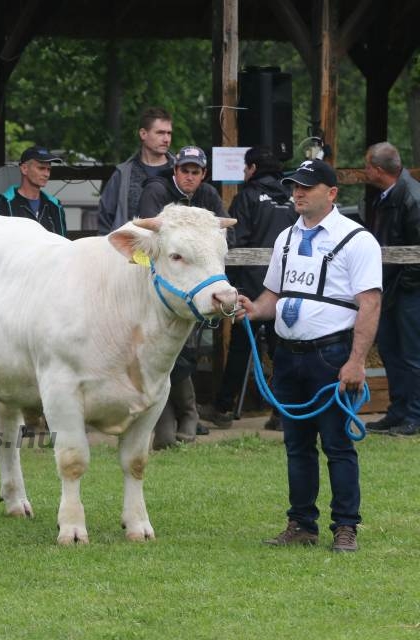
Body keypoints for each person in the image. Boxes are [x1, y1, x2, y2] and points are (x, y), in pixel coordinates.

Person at [238, 159, 382, 553]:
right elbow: (273, 295)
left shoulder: (357, 240)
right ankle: (301, 523)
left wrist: (355, 361)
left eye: (307, 186)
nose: (297, 192)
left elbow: (369, 303)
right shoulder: (285, 238)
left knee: (337, 444)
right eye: (294, 186)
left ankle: (345, 527)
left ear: (331, 193)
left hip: (331, 355)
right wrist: (254, 310)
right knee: (297, 444)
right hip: (288, 355)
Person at [137, 145, 227, 449]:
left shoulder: (209, 196)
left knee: (183, 352)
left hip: (196, 285)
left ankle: (187, 416)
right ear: (175, 170)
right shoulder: (156, 190)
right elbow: (148, 239)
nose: (190, 177)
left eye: (196, 171)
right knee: (159, 350)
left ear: (203, 174)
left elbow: (224, 235)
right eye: (184, 170)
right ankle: (166, 424)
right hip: (158, 286)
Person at [203, 146, 294, 431]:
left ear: (253, 169)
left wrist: (229, 278)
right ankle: (283, 412)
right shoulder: (293, 198)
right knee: (284, 349)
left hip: (253, 288)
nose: (244, 173)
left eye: (245, 168)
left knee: (242, 348)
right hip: (288, 285)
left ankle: (223, 408)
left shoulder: (248, 196)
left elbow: (236, 240)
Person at [362, 142, 420, 436]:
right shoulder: (386, 197)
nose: (364, 172)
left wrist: (399, 288)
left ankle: (415, 415)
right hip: (391, 289)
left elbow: (417, 257)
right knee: (390, 351)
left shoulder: (411, 199)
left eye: (367, 167)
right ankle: (398, 411)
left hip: (410, 293)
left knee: (412, 355)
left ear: (379, 170)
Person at [97, 107, 175, 235]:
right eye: (160, 133)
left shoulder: (181, 172)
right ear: (143, 134)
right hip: (129, 250)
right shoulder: (123, 174)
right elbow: (105, 218)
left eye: (169, 133)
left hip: (173, 252)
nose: (166, 139)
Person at [0, 146, 67, 236]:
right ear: (24, 169)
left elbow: (63, 244)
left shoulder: (55, 206)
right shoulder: (4, 204)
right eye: (41, 168)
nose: (47, 174)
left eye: (49, 169)